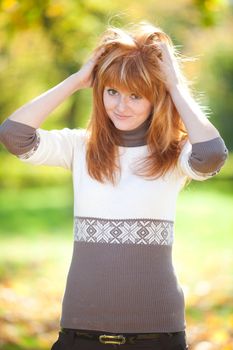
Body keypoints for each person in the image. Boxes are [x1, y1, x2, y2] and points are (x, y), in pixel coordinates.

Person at [0, 21, 228, 350]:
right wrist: (78, 80)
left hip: (157, 336)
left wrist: (175, 87)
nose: (121, 106)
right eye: (112, 92)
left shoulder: (174, 154)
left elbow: (212, 155)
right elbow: (14, 136)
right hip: (80, 334)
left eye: (136, 95)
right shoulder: (80, 147)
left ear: (156, 98)